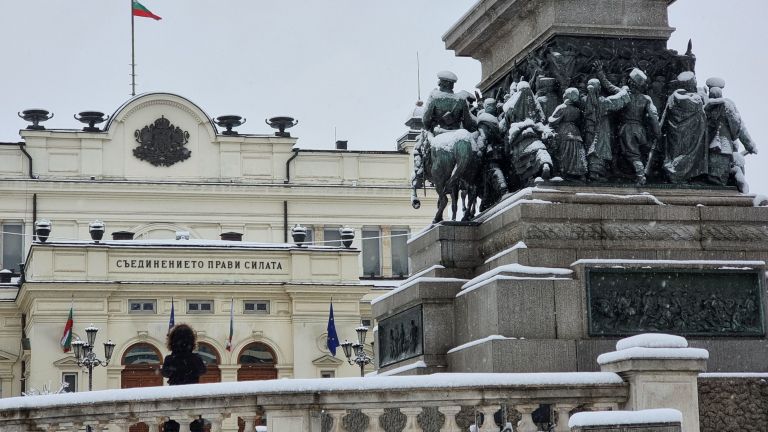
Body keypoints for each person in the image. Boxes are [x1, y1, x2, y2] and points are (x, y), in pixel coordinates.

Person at [597, 66, 660, 185]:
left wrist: (600, 73)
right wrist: (657, 132)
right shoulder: (646, 99)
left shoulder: (625, 94)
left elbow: (609, 86)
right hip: (640, 130)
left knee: (633, 155)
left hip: (627, 130)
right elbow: (653, 116)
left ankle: (641, 176)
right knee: (635, 152)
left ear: (631, 82)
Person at [653, 71, 708, 184]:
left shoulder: (672, 98)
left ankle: (672, 172)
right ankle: (683, 175)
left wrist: (659, 132)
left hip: (674, 135)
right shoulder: (697, 100)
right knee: (687, 154)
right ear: (691, 84)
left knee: (674, 154)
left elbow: (664, 117)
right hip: (691, 136)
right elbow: (703, 117)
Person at [703, 79, 758, 190]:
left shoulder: (703, 106)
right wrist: (750, 145)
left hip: (705, 150)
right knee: (720, 183)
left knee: (711, 181)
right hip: (724, 148)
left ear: (709, 90)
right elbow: (739, 126)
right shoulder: (727, 106)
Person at [582, 77, 630, 181]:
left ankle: (593, 171)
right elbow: (617, 101)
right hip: (601, 129)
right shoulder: (602, 102)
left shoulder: (584, 100)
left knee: (591, 147)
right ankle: (594, 173)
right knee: (598, 149)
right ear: (599, 88)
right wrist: (624, 90)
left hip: (588, 129)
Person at [548, 87, 587, 180]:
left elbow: (552, 121)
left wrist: (549, 119)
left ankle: (565, 172)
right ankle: (577, 173)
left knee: (565, 153)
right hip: (576, 133)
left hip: (564, 132)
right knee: (576, 154)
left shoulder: (562, 107)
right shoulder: (577, 110)